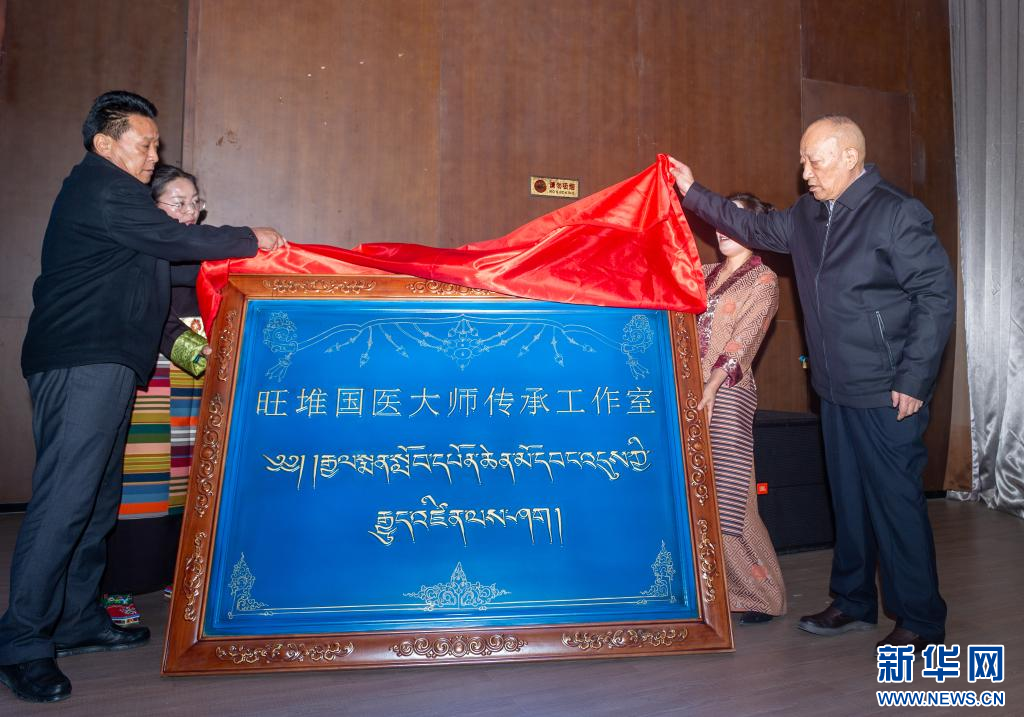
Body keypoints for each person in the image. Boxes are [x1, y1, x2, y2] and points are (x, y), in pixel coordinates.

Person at [0, 90, 286, 704]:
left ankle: (76, 619)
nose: (155, 156)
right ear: (105, 143)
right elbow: (175, 242)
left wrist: (252, 270)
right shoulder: (104, 188)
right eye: (145, 144)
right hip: (81, 360)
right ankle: (21, 641)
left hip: (105, 364)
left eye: (157, 145)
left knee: (95, 501)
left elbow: (174, 266)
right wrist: (250, 239)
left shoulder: (115, 205)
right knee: (63, 502)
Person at [670, 115, 955, 652]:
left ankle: (920, 619)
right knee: (847, 501)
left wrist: (914, 377)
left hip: (889, 390)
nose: (805, 173)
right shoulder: (807, 214)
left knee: (895, 504)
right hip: (832, 387)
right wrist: (693, 191)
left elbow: (935, 296)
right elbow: (750, 227)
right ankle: (852, 601)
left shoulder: (896, 213)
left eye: (814, 161)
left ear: (850, 157)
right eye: (802, 161)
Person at [101, 165, 212, 626]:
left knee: (189, 480)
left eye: (195, 203)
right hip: (154, 377)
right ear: (151, 208)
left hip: (197, 383)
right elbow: (151, 315)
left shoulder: (206, 252)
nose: (189, 212)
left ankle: (173, 571)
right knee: (140, 483)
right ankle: (117, 584)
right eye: (177, 202)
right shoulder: (139, 250)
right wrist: (199, 351)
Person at [696, 192, 786, 624]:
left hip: (728, 392)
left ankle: (762, 596)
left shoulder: (763, 280)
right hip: (692, 393)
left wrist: (712, 386)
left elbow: (743, 341)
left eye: (735, 219)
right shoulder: (705, 274)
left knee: (729, 497)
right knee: (697, 493)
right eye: (720, 219)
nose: (722, 228)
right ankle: (715, 593)